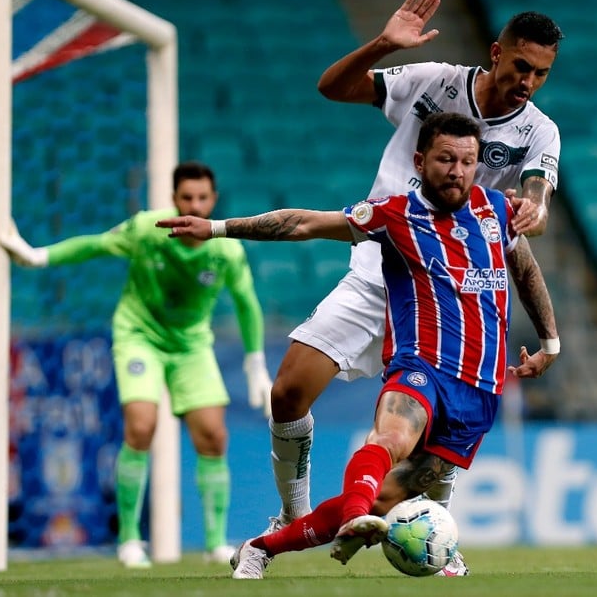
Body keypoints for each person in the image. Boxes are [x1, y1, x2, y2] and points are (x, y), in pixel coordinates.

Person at [157, 112, 558, 579]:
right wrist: (219, 228)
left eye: (467, 161)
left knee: (387, 498)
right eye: (446, 159)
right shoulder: (395, 214)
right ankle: (354, 518)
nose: (457, 171)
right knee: (389, 439)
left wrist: (549, 339)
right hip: (422, 368)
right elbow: (303, 223)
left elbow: (525, 270)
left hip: (478, 390)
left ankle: (261, 548)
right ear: (420, 159)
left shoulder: (496, 209)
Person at [263, 0, 563, 576]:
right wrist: (382, 44)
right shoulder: (434, 80)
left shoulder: (539, 131)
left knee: (433, 440)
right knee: (288, 392)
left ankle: (437, 539)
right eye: (521, 66)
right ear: (496, 52)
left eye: (542, 73)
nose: (528, 81)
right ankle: (290, 511)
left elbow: (538, 197)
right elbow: (333, 88)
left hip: (451, 294)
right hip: (381, 262)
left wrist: (533, 207)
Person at [0, 161, 274, 568]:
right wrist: (39, 258)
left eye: (202, 198)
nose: (194, 205)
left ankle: (216, 542)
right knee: (141, 425)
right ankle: (129, 538)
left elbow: (247, 303)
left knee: (213, 436)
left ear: (213, 199)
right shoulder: (148, 230)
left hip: (191, 345)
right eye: (187, 198)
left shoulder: (226, 248)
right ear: (173, 199)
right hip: (139, 336)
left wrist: (255, 365)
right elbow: (95, 244)